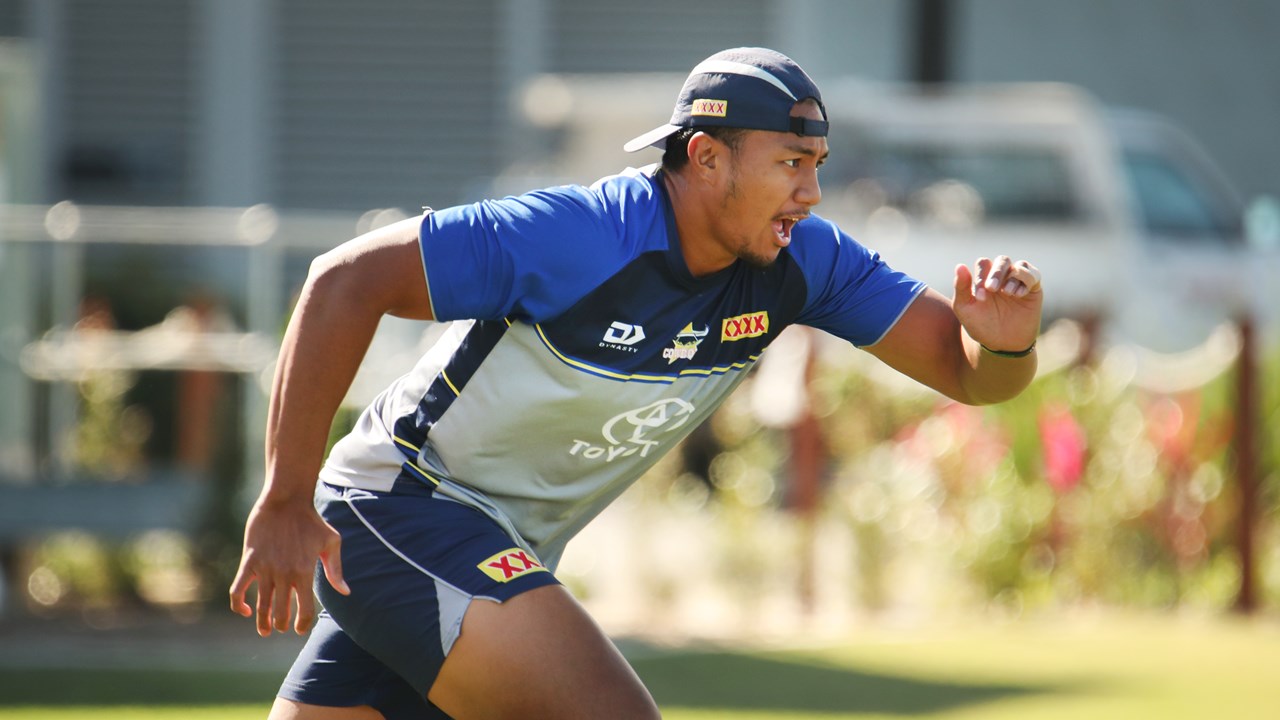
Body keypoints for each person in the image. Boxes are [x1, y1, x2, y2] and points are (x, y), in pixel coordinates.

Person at [229, 47, 1043, 720]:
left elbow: (967, 376)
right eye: (791, 162)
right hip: (400, 508)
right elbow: (343, 282)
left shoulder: (804, 260)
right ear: (705, 156)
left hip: (490, 548)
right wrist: (285, 499)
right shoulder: (580, 236)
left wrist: (1006, 347)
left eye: (817, 165)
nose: (812, 191)